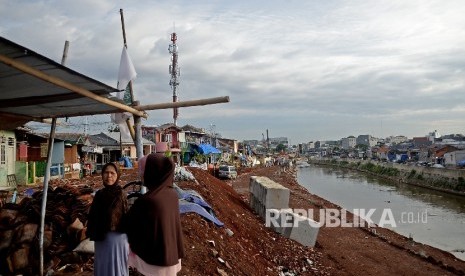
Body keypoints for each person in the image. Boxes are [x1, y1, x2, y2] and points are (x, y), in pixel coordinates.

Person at [124, 153, 184, 275]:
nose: (141, 175)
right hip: (172, 255)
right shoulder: (172, 194)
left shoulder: (148, 200)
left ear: (152, 173)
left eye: (144, 171)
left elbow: (128, 225)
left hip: (154, 262)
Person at [87, 162, 129, 276]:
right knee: (103, 267)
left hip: (117, 239)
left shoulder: (121, 194)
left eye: (112, 173)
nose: (109, 176)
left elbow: (126, 217)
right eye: (106, 173)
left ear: (117, 175)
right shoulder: (99, 194)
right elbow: (93, 217)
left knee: (116, 268)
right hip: (101, 239)